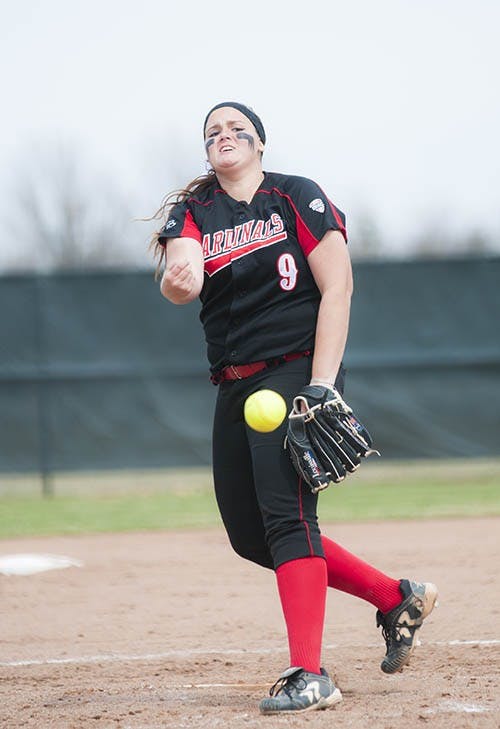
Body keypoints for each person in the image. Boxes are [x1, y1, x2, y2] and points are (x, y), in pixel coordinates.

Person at [151, 102, 438, 715]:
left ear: (259, 142)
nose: (223, 136)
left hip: (292, 370)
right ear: (207, 153)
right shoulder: (195, 211)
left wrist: (323, 383)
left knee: (286, 518)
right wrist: (178, 275)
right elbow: (184, 274)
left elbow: (338, 286)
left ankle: (310, 673)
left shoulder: (295, 196)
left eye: (236, 128)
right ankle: (396, 596)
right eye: (212, 133)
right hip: (233, 382)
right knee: (252, 535)